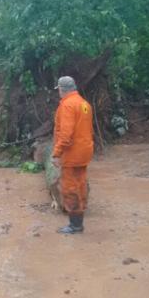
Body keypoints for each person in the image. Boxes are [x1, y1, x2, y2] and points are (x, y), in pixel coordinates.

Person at [50, 76, 94, 234]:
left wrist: (56, 153)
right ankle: (78, 221)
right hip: (84, 152)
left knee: (69, 188)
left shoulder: (67, 105)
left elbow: (66, 134)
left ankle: (75, 225)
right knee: (81, 185)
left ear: (61, 89)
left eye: (59, 90)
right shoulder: (84, 104)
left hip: (72, 154)